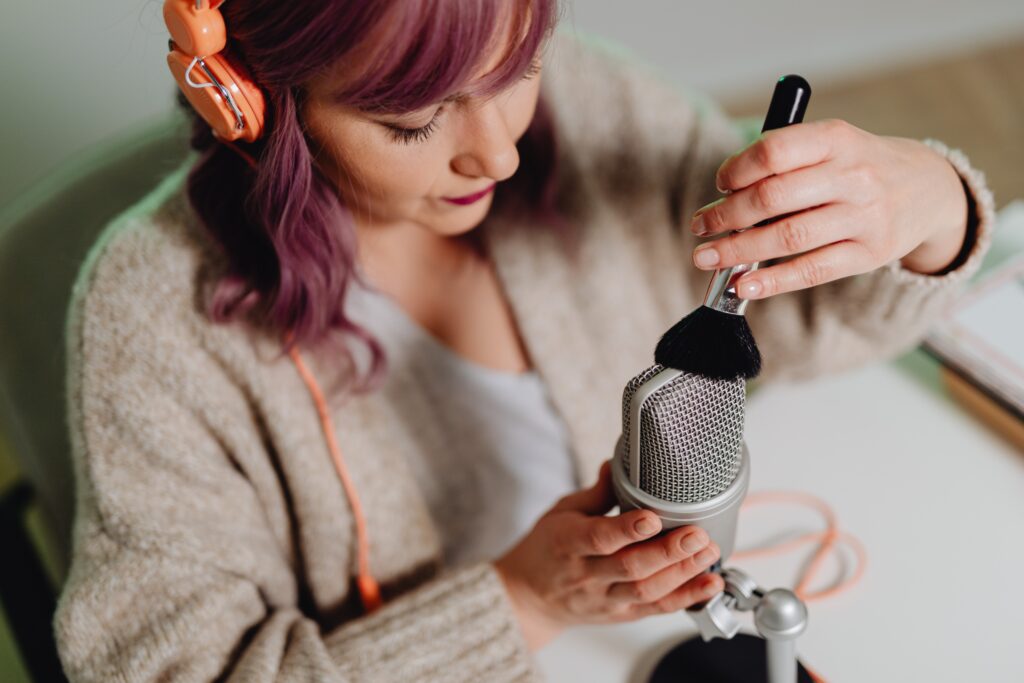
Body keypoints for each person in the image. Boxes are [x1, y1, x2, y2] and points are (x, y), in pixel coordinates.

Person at [54, 0, 994, 680]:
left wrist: (926, 210)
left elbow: (810, 322)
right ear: (251, 102)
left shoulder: (587, 102)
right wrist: (526, 601)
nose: (498, 152)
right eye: (413, 121)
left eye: (519, 66)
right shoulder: (149, 316)